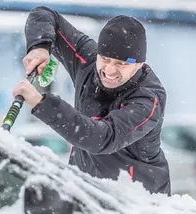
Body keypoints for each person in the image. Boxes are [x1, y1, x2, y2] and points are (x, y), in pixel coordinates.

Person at [13, 6, 171, 195]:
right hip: (85, 193)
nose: (110, 70)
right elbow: (44, 15)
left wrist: (41, 103)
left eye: (122, 64)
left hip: (139, 203)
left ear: (139, 64)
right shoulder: (87, 60)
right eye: (105, 59)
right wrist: (40, 47)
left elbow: (101, 138)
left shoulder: (147, 99)